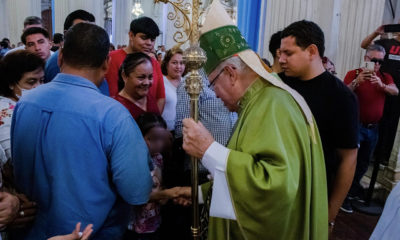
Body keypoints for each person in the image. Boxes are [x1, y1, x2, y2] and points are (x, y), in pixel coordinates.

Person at [179, 2, 328, 239]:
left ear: (231, 73)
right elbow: (247, 167)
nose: (214, 94)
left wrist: (209, 149)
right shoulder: (256, 102)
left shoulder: (273, 104)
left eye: (213, 83)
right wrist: (199, 193)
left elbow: (276, 186)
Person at [11, 23, 153, 239]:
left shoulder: (25, 103)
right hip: (89, 233)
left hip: (31, 231)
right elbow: (137, 191)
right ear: (106, 64)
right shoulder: (112, 115)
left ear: (59, 58)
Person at [278, 20, 359, 227]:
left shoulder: (340, 96)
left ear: (312, 51)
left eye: (288, 53)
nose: (281, 59)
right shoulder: (277, 84)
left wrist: (329, 215)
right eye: (280, 53)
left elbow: (348, 159)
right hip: (276, 189)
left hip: (313, 193)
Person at [342, 44, 398, 210]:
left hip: (374, 128)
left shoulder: (384, 76)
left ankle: (351, 191)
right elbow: (343, 94)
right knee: (349, 164)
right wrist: (356, 83)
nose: (377, 64)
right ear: (366, 58)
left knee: (364, 163)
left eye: (381, 61)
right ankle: (342, 196)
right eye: (374, 60)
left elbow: (395, 91)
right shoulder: (354, 74)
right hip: (356, 127)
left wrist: (382, 86)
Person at [0, 50, 44, 236]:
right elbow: (17, 163)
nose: (39, 87)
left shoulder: (25, 106)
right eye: (31, 82)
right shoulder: (6, 111)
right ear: (11, 83)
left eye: (42, 80)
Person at [124, 113, 183, 240]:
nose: (159, 144)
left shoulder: (159, 157)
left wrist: (164, 195)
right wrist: (167, 194)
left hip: (155, 221)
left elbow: (158, 185)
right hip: (136, 227)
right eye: (153, 139)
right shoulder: (134, 162)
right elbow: (138, 196)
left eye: (162, 139)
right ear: (138, 137)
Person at [105, 17, 165, 113]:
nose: (149, 43)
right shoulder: (112, 58)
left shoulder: (154, 63)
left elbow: (160, 97)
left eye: (152, 39)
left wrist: (153, 122)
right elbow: (109, 96)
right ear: (131, 35)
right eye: (144, 38)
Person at [361, 24, 400, 168]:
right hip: (378, 87)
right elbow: (364, 45)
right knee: (375, 120)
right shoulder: (387, 43)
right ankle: (371, 156)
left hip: (394, 92)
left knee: (391, 125)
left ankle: (382, 157)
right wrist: (376, 33)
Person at [114, 52, 160, 120]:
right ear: (124, 76)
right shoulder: (116, 107)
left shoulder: (149, 98)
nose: (146, 82)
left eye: (150, 77)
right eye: (141, 77)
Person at [161, 48, 186, 131]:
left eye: (182, 63)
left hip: (183, 133)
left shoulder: (187, 83)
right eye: (174, 63)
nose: (178, 66)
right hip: (165, 132)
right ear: (166, 64)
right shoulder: (161, 81)